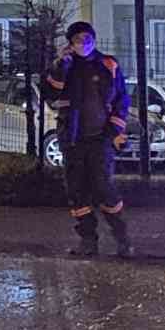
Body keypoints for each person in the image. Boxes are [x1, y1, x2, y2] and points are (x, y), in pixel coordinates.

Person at [43, 21, 133, 258]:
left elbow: (122, 100)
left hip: (100, 138)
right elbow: (51, 94)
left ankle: (123, 239)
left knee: (104, 188)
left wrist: (114, 130)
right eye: (79, 39)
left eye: (88, 38)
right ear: (70, 43)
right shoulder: (64, 66)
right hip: (72, 139)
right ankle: (88, 241)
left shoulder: (107, 65)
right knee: (77, 192)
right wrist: (61, 66)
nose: (85, 43)